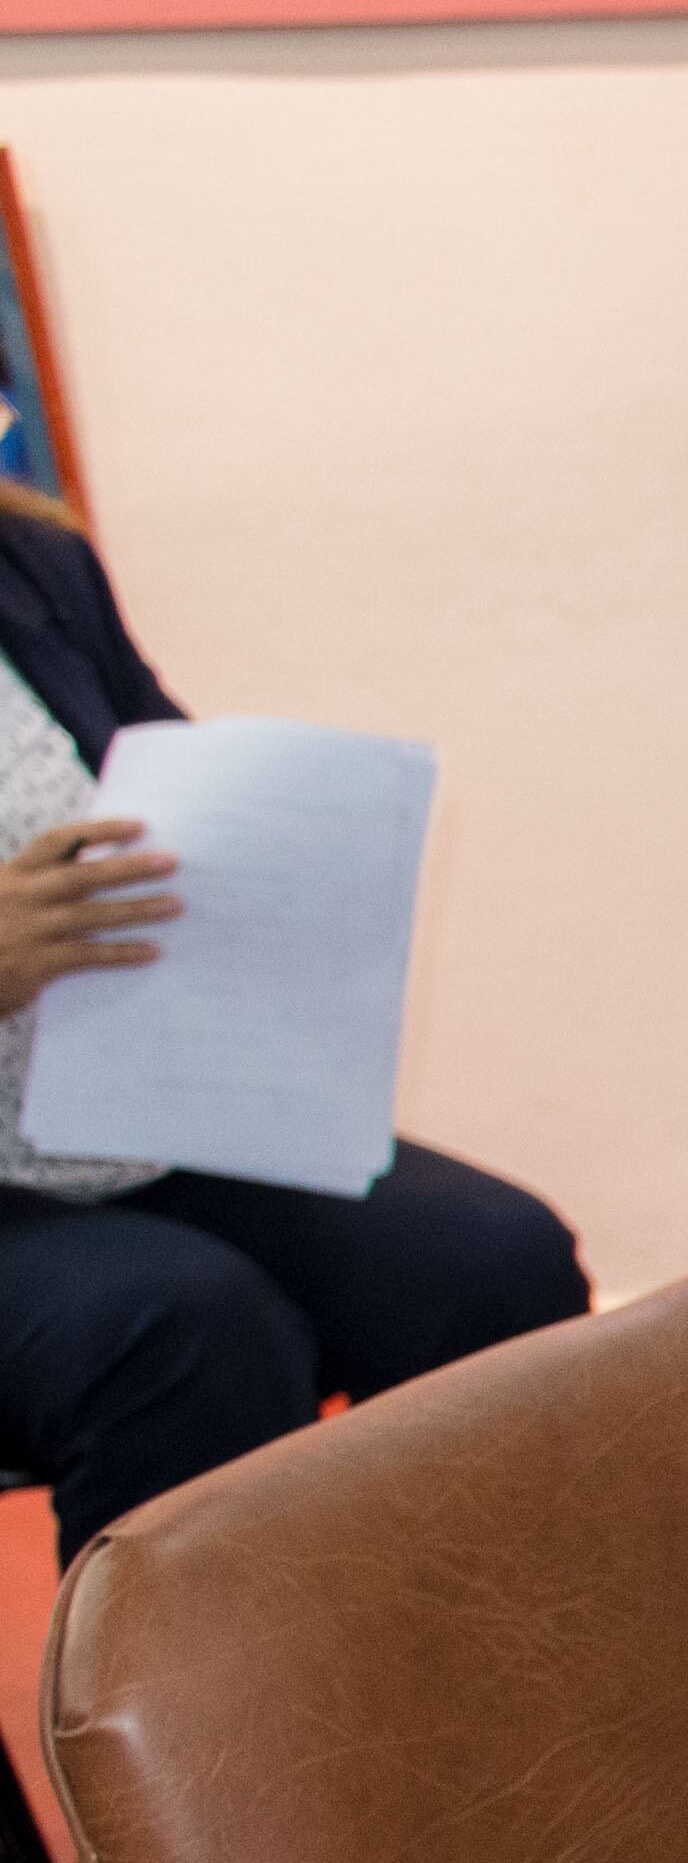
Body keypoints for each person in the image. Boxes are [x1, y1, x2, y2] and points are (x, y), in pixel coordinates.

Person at [0, 486, 590, 1554]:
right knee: (186, 1331)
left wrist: (288, 839)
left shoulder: (34, 560)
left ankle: (483, 1676)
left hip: (134, 1110)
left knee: (494, 1261)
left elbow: (165, 782)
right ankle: (194, 1719)